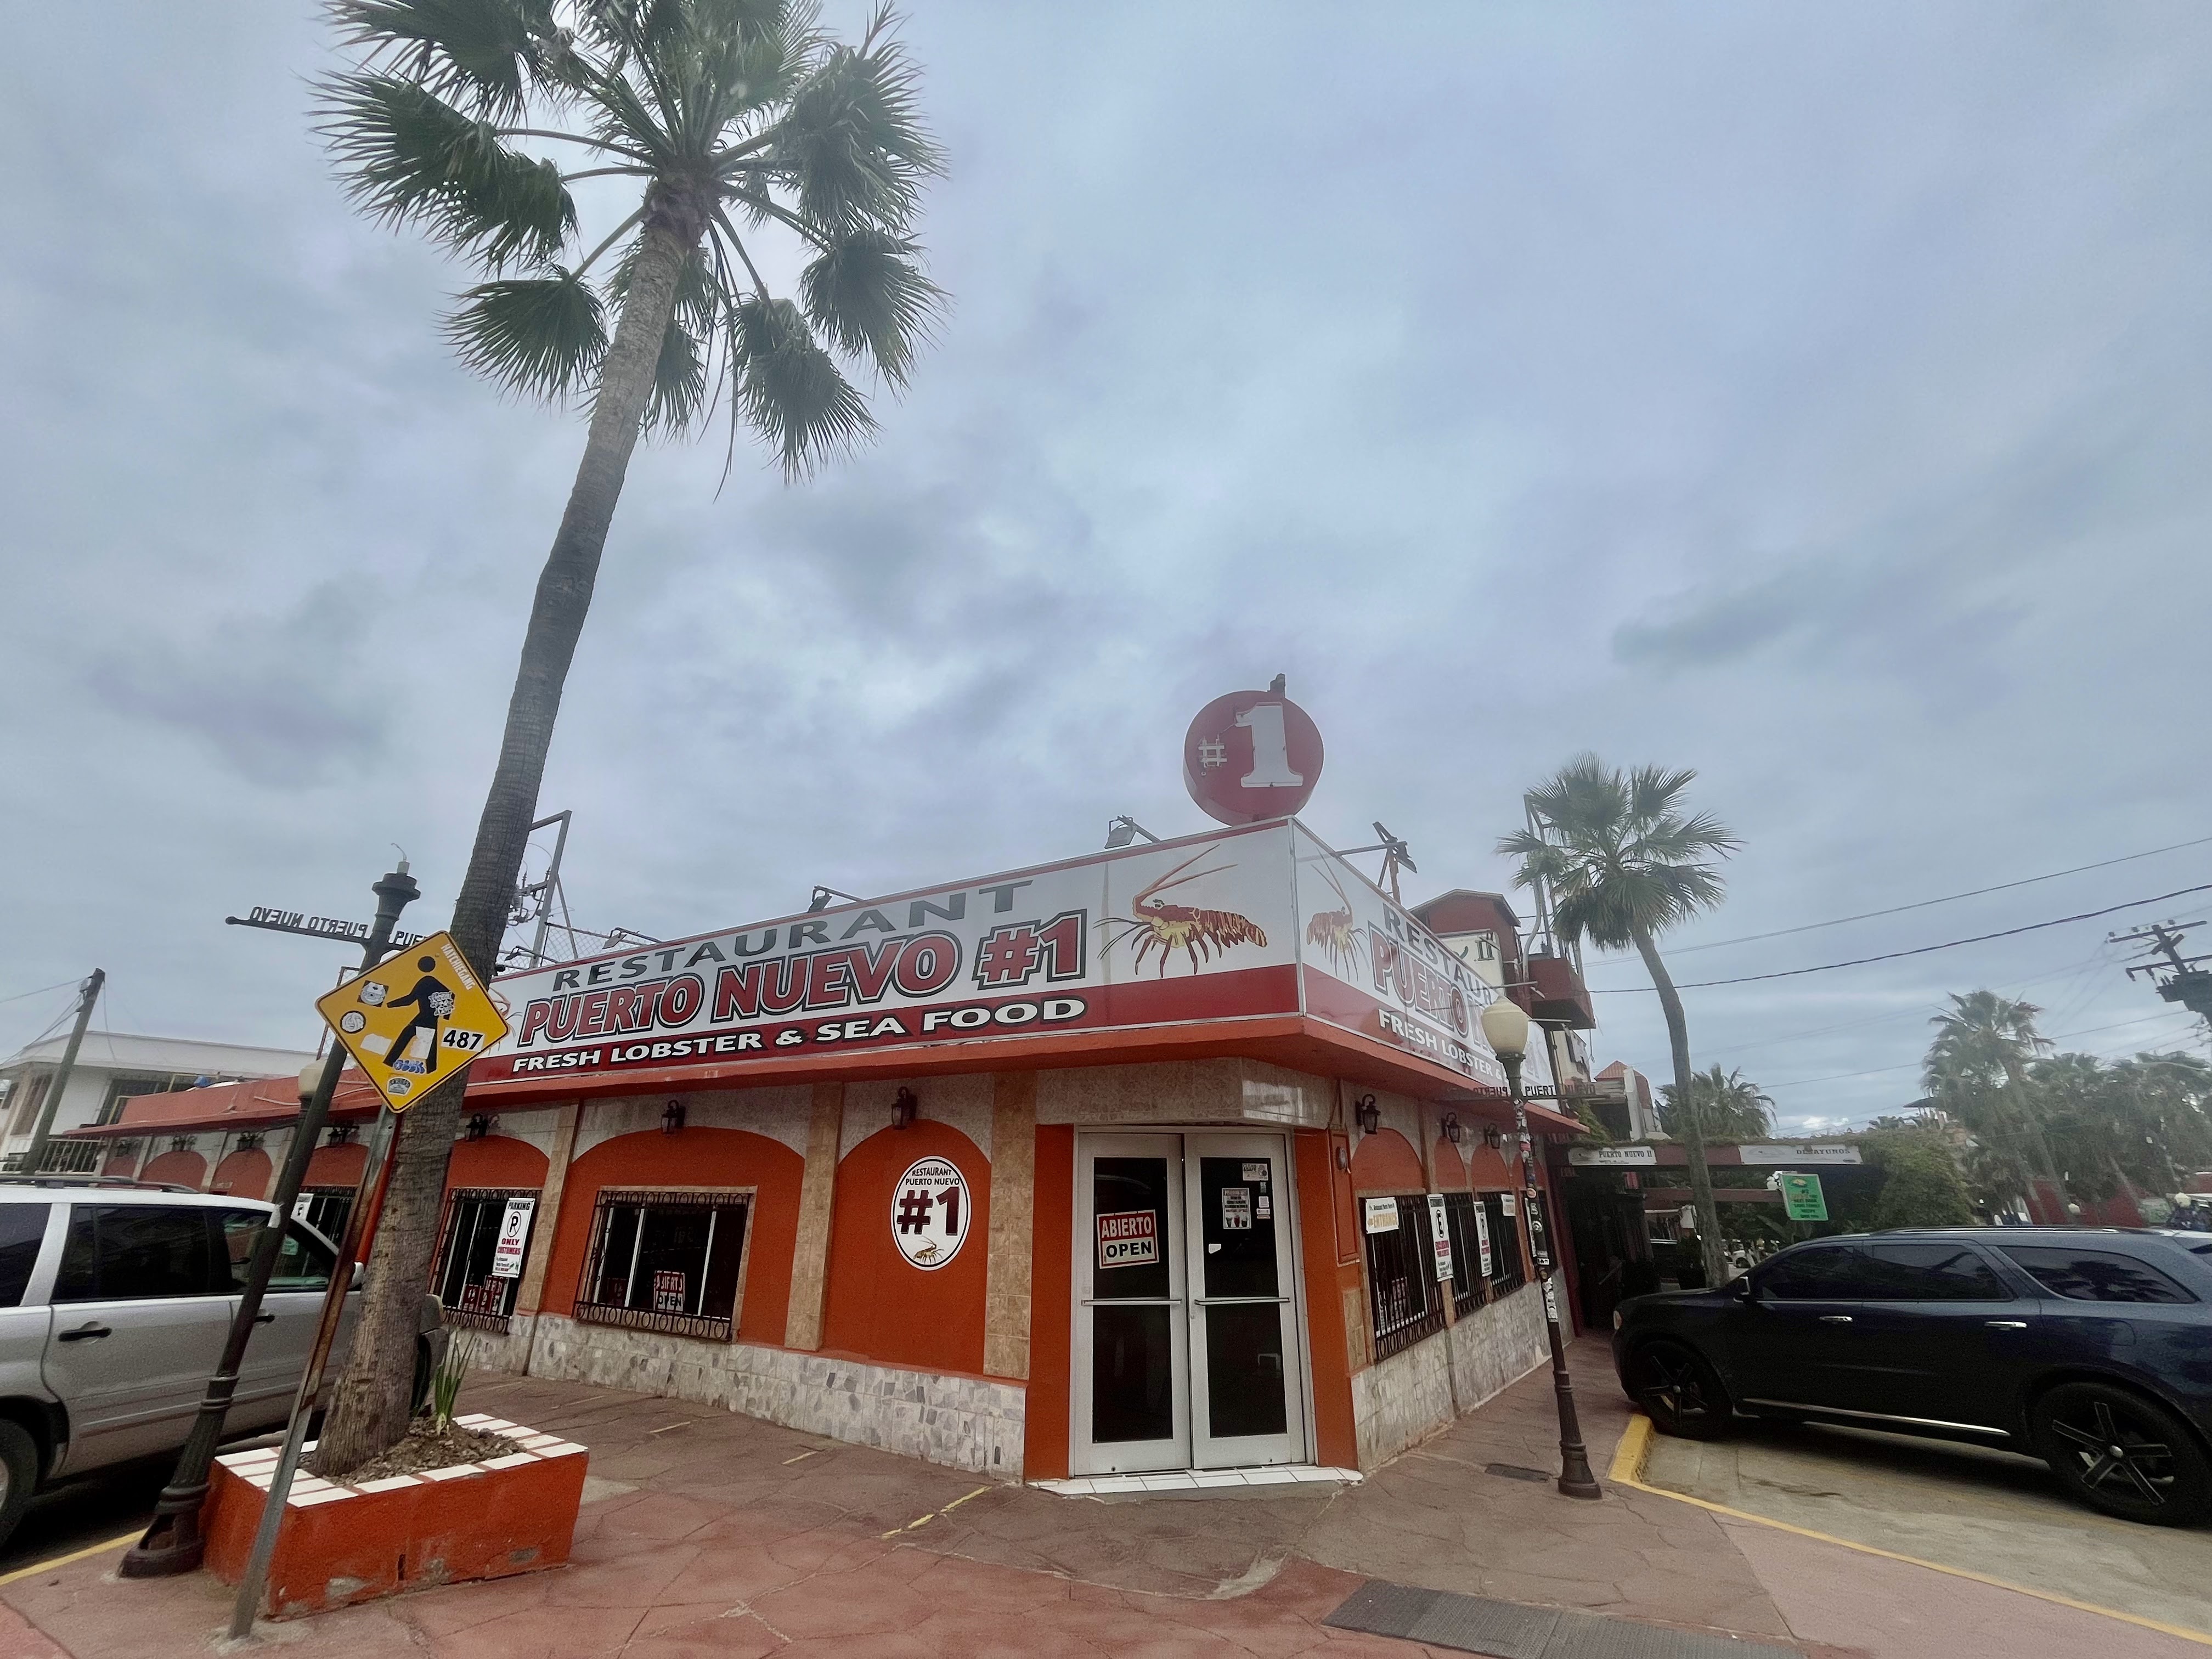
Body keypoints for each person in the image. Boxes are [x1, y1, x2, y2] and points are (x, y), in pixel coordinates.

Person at [381, 956, 453, 1075]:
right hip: (431, 1019)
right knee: (430, 1045)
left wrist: (389, 1005)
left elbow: (410, 1000)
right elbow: (451, 996)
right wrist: (445, 1017)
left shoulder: (427, 981)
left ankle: (389, 1062)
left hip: (424, 1018)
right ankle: (432, 1071)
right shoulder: (432, 981)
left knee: (407, 1035)